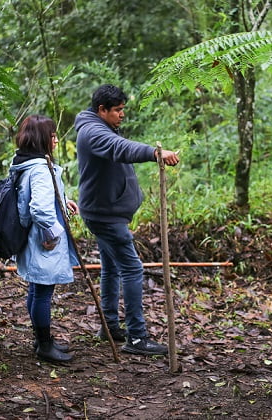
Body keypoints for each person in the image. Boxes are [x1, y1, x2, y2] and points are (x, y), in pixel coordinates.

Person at [74, 84, 180, 356]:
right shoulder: (93, 132)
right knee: (132, 268)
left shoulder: (100, 127)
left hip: (105, 212)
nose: (122, 115)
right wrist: (155, 153)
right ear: (102, 110)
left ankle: (109, 326)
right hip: (105, 216)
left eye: (123, 109)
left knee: (111, 268)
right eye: (118, 110)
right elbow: (119, 148)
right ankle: (137, 337)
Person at [10, 114, 80, 364]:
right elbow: (39, 207)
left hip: (31, 236)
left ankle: (42, 339)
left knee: (36, 288)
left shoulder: (26, 162)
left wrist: (62, 200)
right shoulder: (39, 169)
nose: (56, 140)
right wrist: (53, 233)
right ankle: (44, 345)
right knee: (42, 291)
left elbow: (40, 196)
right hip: (42, 239)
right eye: (52, 136)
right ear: (43, 139)